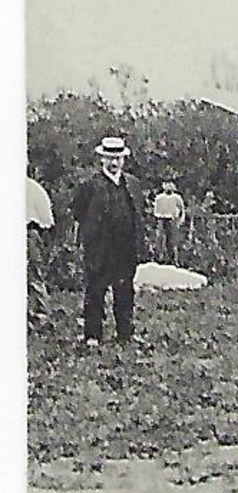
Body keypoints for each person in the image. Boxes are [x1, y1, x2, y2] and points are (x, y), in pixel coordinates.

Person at [70, 136, 143, 346]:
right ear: (101, 159)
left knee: (125, 291)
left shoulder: (132, 184)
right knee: (95, 290)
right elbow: (78, 213)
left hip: (126, 248)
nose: (113, 163)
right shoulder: (90, 186)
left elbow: (139, 214)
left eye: (118, 158)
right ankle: (92, 335)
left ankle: (125, 333)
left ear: (124, 160)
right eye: (109, 158)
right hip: (100, 249)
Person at [26, 176, 54, 329]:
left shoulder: (32, 188)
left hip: (29, 233)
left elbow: (47, 221)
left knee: (34, 277)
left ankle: (40, 318)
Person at [152, 180, 187, 264]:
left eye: (171, 185)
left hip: (172, 220)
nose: (169, 186)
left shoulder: (177, 198)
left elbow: (182, 209)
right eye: (167, 184)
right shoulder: (159, 197)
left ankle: (172, 259)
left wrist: (180, 220)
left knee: (171, 240)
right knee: (160, 238)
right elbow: (156, 209)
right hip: (161, 219)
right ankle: (160, 257)